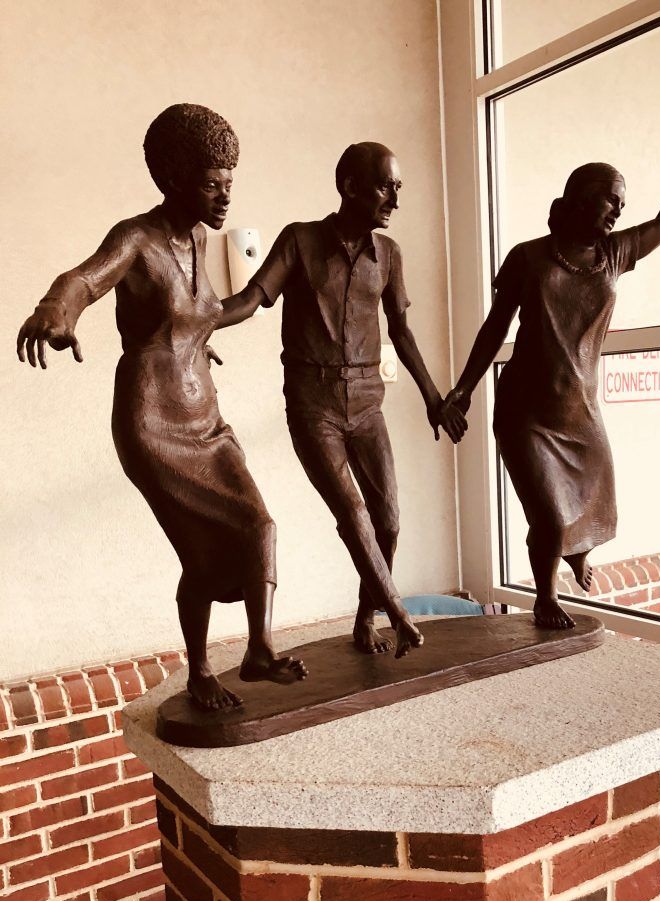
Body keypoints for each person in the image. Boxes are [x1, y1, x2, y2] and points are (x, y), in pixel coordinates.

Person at [16, 103, 306, 712]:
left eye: (229, 183)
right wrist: (54, 310)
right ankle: (201, 671)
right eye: (211, 184)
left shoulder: (198, 239)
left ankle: (258, 649)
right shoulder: (136, 238)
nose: (225, 196)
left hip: (207, 418)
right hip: (153, 422)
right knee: (202, 555)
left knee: (258, 525)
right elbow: (84, 280)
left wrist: (197, 340)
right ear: (174, 178)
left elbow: (197, 316)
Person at [441, 132, 660, 630]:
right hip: (526, 410)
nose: (618, 211)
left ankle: (576, 549)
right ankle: (545, 596)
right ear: (580, 200)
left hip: (580, 408)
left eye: (622, 204)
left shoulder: (614, 254)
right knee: (548, 513)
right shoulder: (528, 258)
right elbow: (495, 328)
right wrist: (463, 390)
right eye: (610, 200)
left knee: (595, 498)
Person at [217, 142, 466, 657]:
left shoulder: (388, 254)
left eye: (398, 188)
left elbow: (401, 332)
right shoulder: (301, 240)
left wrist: (433, 398)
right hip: (314, 405)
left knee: (388, 521)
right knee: (353, 512)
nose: (394, 200)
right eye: (384, 187)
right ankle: (398, 614)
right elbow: (250, 300)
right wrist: (196, 323)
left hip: (368, 404)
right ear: (350, 187)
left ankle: (365, 619)